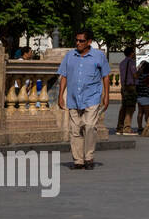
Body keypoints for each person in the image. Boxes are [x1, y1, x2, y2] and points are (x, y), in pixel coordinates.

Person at [56, 29, 111, 170]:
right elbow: (64, 76)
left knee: (90, 126)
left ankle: (89, 157)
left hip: (92, 97)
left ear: (89, 42)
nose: (78, 43)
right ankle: (78, 160)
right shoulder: (70, 56)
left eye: (81, 41)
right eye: (77, 40)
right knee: (75, 130)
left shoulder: (99, 56)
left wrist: (106, 95)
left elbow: (105, 76)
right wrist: (60, 96)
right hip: (73, 97)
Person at [115, 46, 138, 135]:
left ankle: (119, 127)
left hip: (124, 87)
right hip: (131, 87)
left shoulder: (122, 63)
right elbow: (135, 75)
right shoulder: (131, 62)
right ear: (131, 53)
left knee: (123, 107)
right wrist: (139, 72)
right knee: (130, 108)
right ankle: (127, 128)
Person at [135, 61, 149, 135]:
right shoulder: (147, 77)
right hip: (145, 97)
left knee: (140, 112)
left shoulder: (139, 76)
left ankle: (139, 127)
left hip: (139, 96)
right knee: (147, 113)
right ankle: (148, 126)